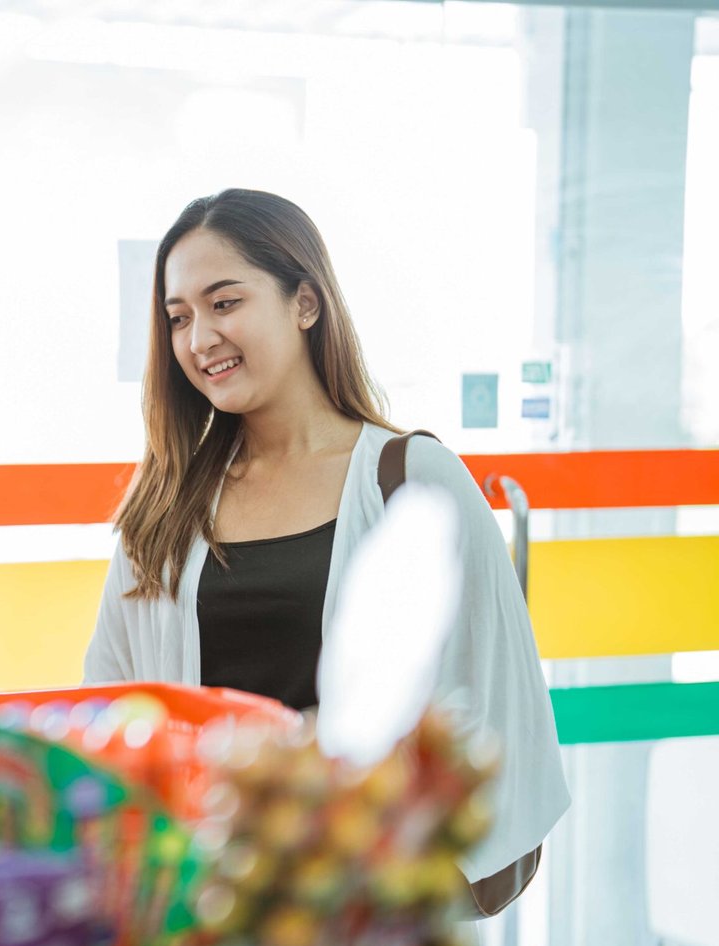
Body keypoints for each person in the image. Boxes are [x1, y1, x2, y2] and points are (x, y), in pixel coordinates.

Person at [83, 188, 569, 907]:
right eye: (178, 317)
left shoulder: (412, 479)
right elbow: (112, 709)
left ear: (305, 303)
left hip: (362, 918)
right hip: (203, 912)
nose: (198, 339)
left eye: (225, 303)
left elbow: (493, 713)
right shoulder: (165, 507)